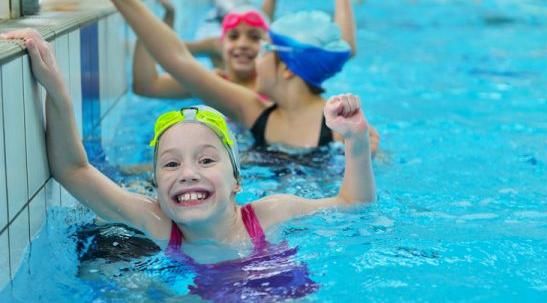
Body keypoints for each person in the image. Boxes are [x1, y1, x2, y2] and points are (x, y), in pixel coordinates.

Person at [2, 28, 375, 300]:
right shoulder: (158, 224)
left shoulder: (269, 214)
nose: (188, 173)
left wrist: (355, 139)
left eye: (207, 159)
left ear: (237, 181)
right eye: (170, 165)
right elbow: (74, 171)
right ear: (158, 188)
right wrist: (57, 90)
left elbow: (352, 206)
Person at [115, 0, 380, 152]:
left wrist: (361, 149)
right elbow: (177, 59)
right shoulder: (252, 109)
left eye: (265, 50)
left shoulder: (342, 132)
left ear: (287, 69)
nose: (257, 57)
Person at [133, 0, 277, 97]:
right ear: (221, 44)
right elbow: (145, 86)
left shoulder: (277, 89)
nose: (242, 44)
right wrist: (168, 16)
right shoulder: (211, 84)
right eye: (233, 36)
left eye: (254, 37)